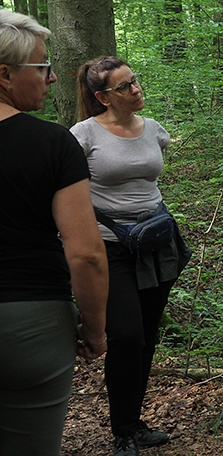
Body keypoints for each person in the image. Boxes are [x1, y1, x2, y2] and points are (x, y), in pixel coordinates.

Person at [0, 9, 108, 455]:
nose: (52, 78)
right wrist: (96, 332)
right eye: (42, 67)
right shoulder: (51, 143)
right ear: (4, 74)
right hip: (29, 326)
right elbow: (86, 254)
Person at [72, 57, 191, 456]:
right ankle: (122, 430)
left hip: (156, 243)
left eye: (135, 81)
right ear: (102, 97)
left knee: (147, 338)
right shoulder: (83, 135)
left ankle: (135, 423)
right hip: (109, 246)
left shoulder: (154, 130)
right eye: (124, 87)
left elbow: (149, 177)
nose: (136, 89)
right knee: (126, 335)